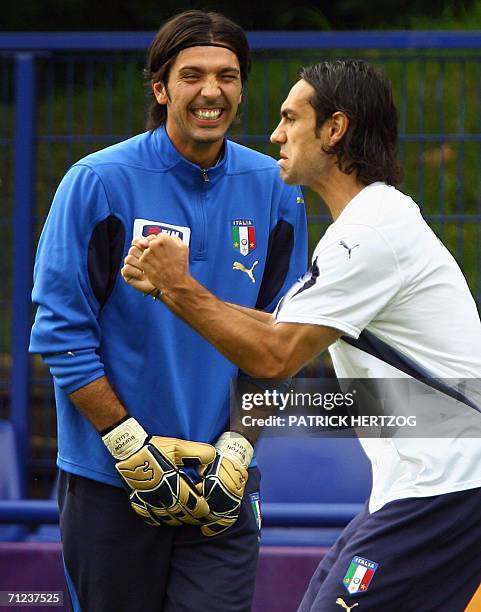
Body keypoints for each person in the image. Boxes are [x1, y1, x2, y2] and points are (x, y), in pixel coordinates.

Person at [123, 59, 481, 611]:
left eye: (291, 118)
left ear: (334, 130)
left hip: (449, 486)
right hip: (427, 485)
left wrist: (179, 286)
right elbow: (277, 330)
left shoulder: (369, 237)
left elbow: (274, 357)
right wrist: (172, 289)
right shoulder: (367, 226)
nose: (275, 133)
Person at [29, 10, 308, 612]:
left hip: (222, 484)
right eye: (192, 75)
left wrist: (239, 447)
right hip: (111, 478)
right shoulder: (96, 181)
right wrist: (128, 444)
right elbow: (61, 333)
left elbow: (283, 339)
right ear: (160, 88)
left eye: (228, 76)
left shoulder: (276, 188)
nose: (212, 91)